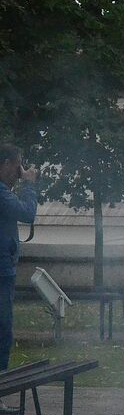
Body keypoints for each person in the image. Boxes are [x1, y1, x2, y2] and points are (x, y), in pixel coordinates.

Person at [0, 144, 38, 375]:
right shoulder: (1, 193)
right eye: (17, 166)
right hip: (2, 271)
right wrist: (29, 184)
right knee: (3, 330)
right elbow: (27, 213)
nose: (19, 171)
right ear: (6, 164)